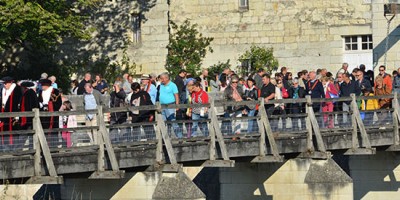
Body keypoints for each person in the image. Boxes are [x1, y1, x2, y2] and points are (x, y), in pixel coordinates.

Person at [157, 72, 182, 138]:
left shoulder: (172, 85)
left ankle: (180, 137)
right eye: (161, 78)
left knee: (173, 122)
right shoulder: (161, 85)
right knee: (163, 123)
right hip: (162, 106)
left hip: (170, 105)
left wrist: (177, 105)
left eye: (162, 78)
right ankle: (166, 138)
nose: (161, 80)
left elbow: (176, 95)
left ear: (167, 78)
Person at [0, 77, 22, 150]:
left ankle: (14, 148)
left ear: (10, 82)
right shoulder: (3, 90)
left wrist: (17, 115)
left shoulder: (17, 89)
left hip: (13, 114)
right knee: (4, 129)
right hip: (4, 114)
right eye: (4, 83)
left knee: (13, 130)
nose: (4, 85)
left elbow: (19, 102)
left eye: (6, 83)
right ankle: (5, 147)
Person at [38, 79, 62, 147]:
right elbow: (39, 101)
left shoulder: (55, 91)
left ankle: (53, 147)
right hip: (43, 115)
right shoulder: (40, 92)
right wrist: (41, 105)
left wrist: (50, 105)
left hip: (52, 115)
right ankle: (44, 147)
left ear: (47, 85)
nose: (42, 86)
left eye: (43, 85)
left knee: (53, 131)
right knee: (44, 130)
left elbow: (58, 103)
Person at [19, 81, 39, 149]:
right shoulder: (25, 93)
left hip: (29, 117)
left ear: (24, 87)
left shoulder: (30, 93)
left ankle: (31, 148)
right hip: (25, 116)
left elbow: (33, 105)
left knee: (30, 133)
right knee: (24, 133)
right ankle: (20, 148)